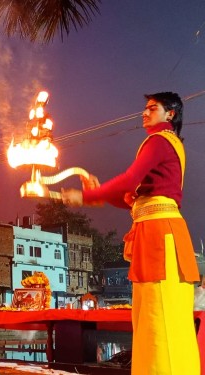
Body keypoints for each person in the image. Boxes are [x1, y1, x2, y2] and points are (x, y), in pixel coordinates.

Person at [62, 92, 200, 374]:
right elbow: (129, 196)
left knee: (159, 319)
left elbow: (129, 179)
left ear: (170, 114)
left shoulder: (161, 140)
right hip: (155, 233)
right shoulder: (163, 146)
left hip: (160, 235)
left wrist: (87, 196)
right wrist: (98, 192)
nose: (144, 113)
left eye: (152, 108)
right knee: (152, 319)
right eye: (145, 109)